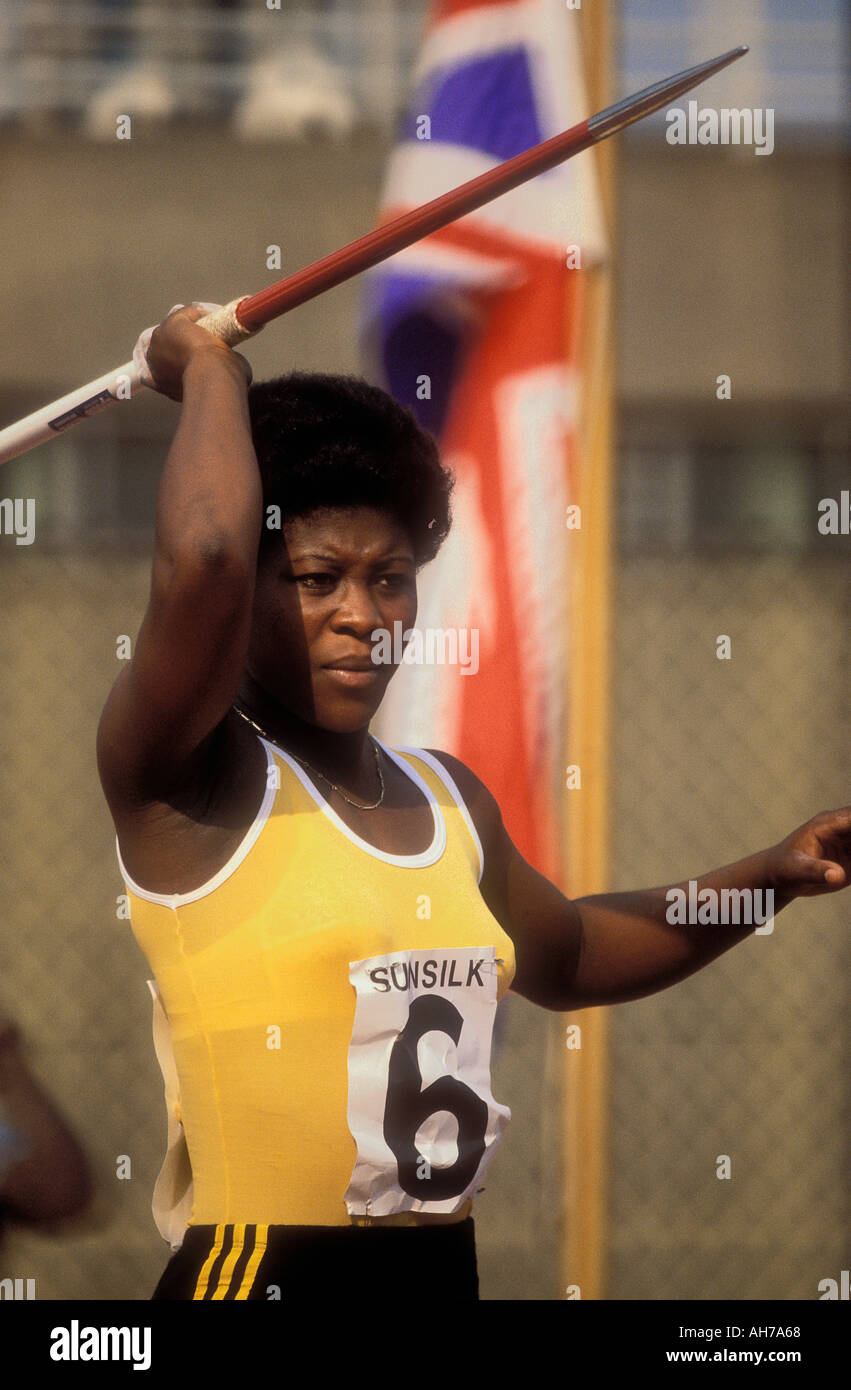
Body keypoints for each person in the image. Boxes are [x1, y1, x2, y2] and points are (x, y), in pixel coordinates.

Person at [97, 305, 851, 1301]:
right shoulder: (186, 775)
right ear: (255, 594)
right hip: (261, 1276)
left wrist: (768, 876)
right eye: (318, 579)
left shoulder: (447, 799)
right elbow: (206, 557)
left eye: (392, 581)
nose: (363, 615)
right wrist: (205, 369)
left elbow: (571, 953)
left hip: (440, 1273)